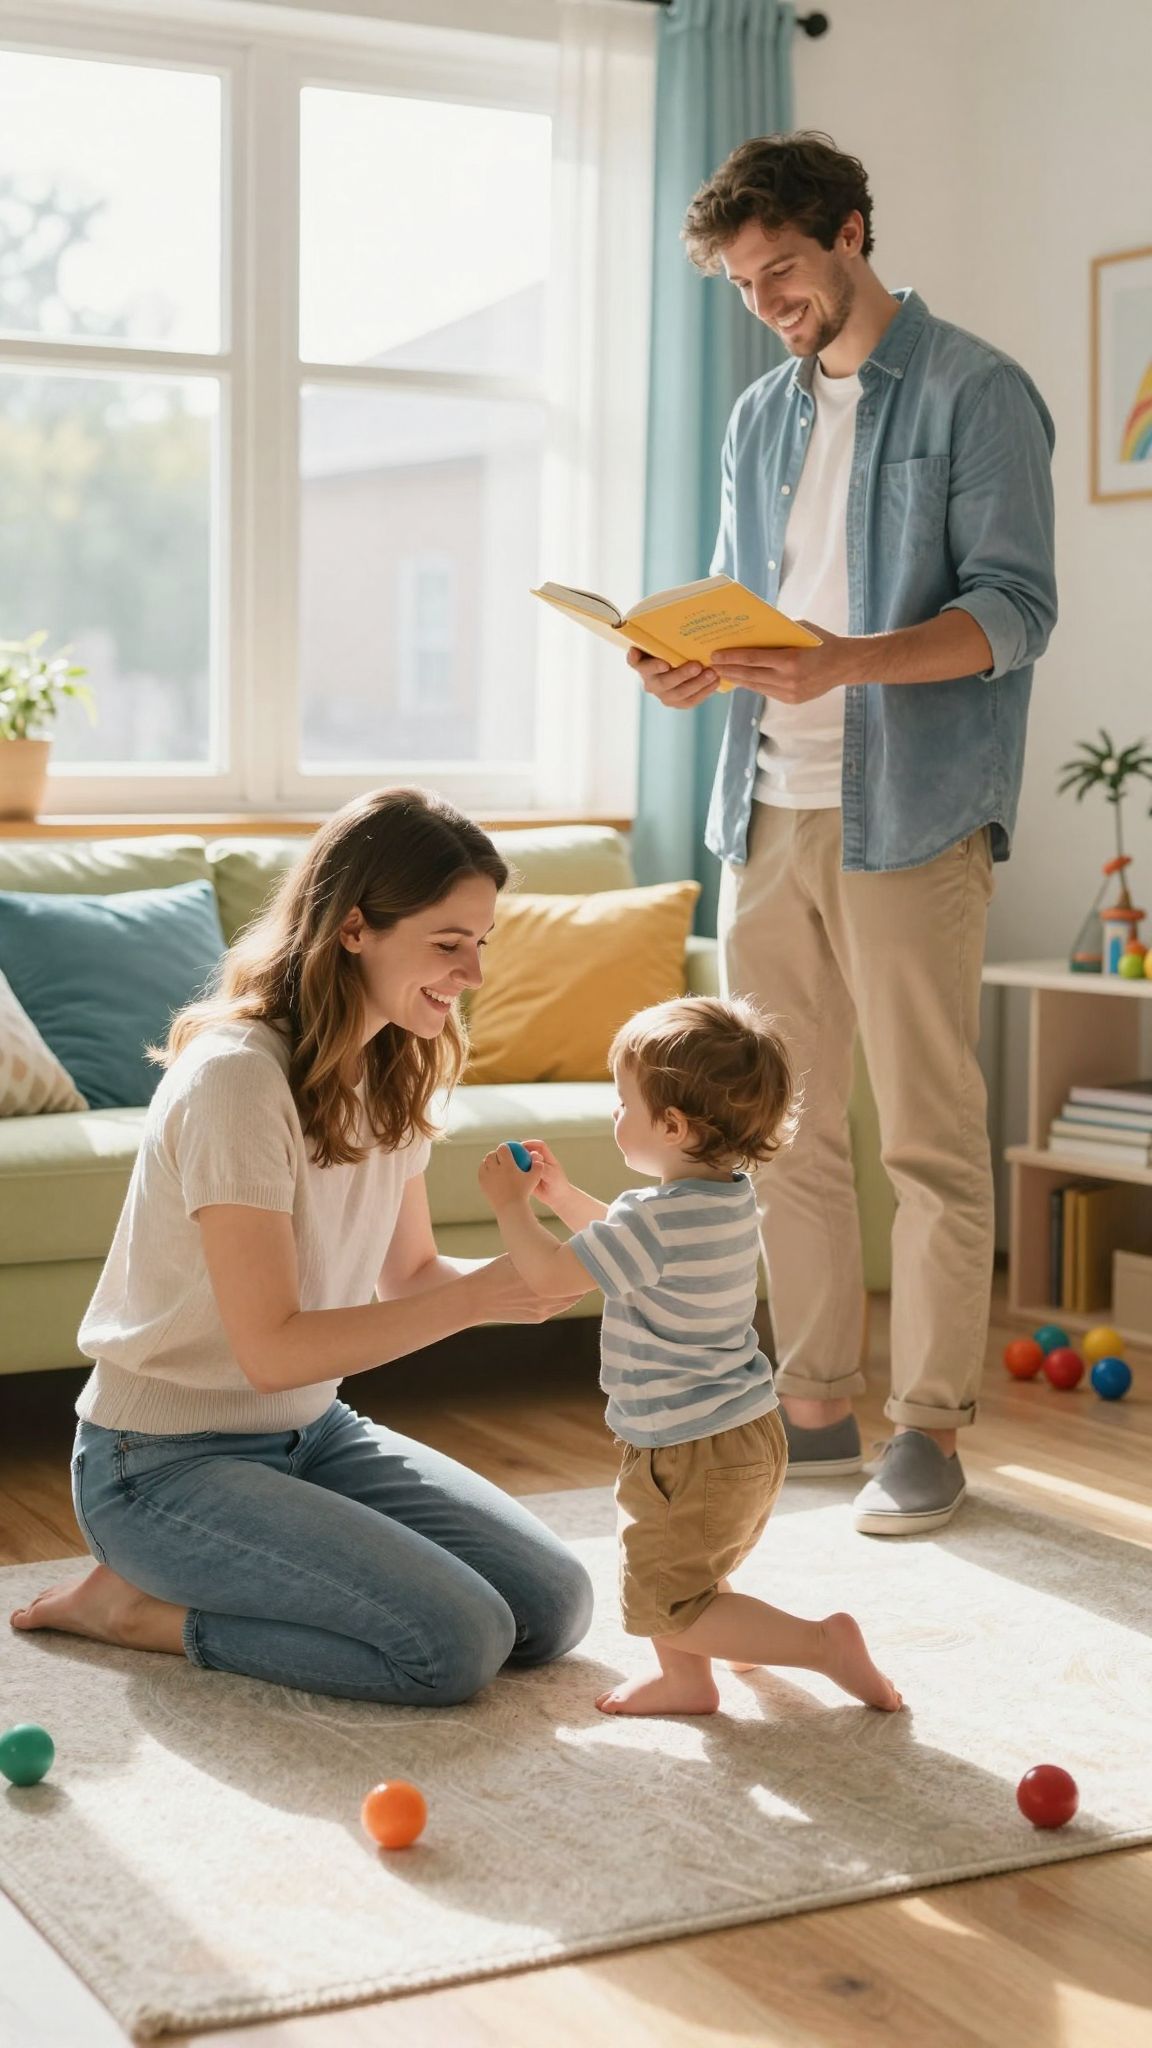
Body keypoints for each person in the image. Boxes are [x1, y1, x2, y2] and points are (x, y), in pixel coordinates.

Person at [627, 133, 1058, 1534]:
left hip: (910, 812)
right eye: (747, 286)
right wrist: (693, 660)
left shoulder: (977, 390)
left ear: (853, 232)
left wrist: (842, 662)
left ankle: (927, 1427)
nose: (771, 302)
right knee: (783, 1131)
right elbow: (757, 600)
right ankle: (815, 1410)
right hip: (763, 804)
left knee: (926, 1137)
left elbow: (1012, 614)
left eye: (786, 271)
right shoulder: (761, 414)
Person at [10, 788, 593, 1703]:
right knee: (453, 1646)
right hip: (161, 1464)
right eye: (448, 944)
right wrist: (480, 1300)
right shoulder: (238, 1080)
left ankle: (235, 1568)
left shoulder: (397, 1063)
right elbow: (271, 1348)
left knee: (554, 1607)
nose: (473, 973)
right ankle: (131, 1610)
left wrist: (554, 1271)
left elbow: (412, 1276)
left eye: (482, 942)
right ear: (355, 927)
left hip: (311, 1432)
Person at [478, 995, 902, 1719]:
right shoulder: (721, 1198)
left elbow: (554, 1277)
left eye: (623, 1104)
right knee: (683, 1569)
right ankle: (722, 1647)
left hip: (688, 1449)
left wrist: (512, 1206)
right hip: (744, 1434)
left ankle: (802, 1649)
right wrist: (561, 1194)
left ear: (672, 1125)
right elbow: (621, 1241)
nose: (615, 1115)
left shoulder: (655, 1220)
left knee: (663, 1599)